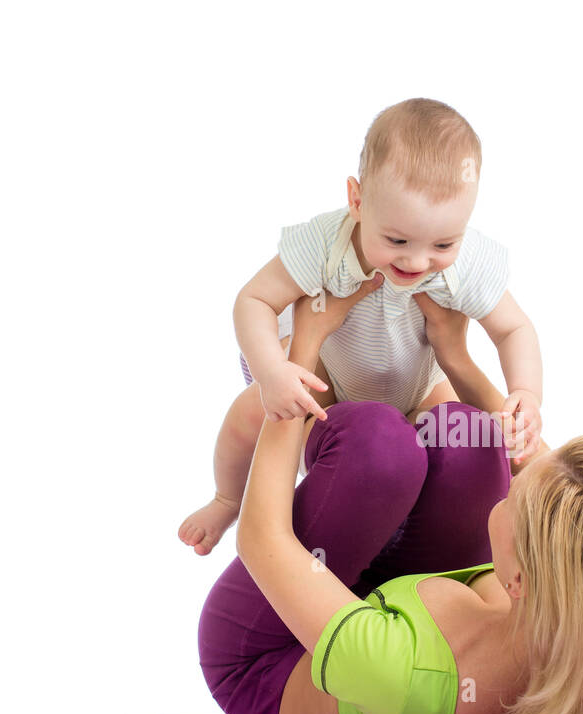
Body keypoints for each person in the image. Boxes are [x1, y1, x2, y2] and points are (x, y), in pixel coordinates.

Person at [197, 287, 583, 714]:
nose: (515, 476)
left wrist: (300, 356)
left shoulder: (406, 674)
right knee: (471, 440)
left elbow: (263, 540)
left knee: (374, 446)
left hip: (265, 658)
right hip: (405, 617)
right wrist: (455, 355)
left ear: (518, 578)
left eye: (513, 498)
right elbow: (544, 471)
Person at [180, 97, 545, 556]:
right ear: (357, 200)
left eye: (443, 243)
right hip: (326, 375)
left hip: (418, 384)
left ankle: (443, 533)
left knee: (468, 437)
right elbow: (253, 300)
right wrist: (273, 372)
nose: (417, 261)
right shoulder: (325, 245)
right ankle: (227, 499)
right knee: (246, 416)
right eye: (396, 240)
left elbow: (513, 329)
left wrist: (526, 394)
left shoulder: (466, 263)